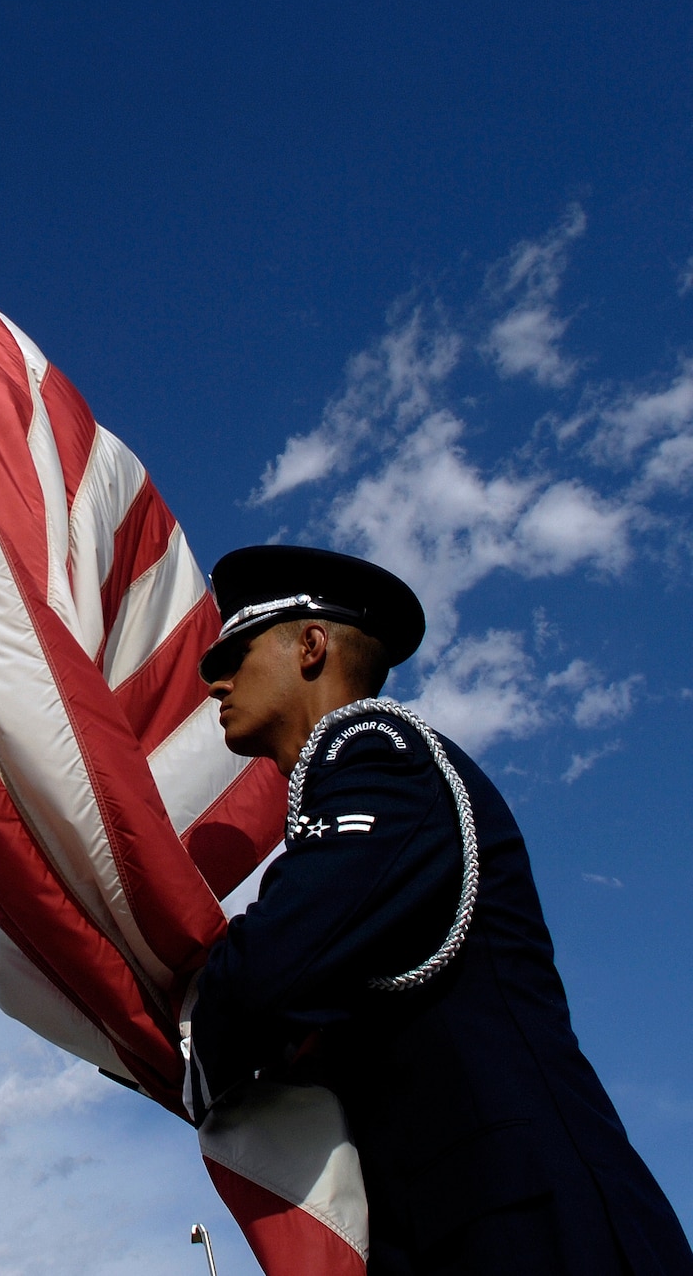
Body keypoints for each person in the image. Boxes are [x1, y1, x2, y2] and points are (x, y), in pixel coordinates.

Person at [185, 545, 693, 1275]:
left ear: (311, 646)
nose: (216, 682)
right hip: (459, 1227)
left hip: (531, 1221)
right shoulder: (347, 780)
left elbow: (270, 967)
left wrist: (199, 1024)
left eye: (236, 651)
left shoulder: (375, 753)